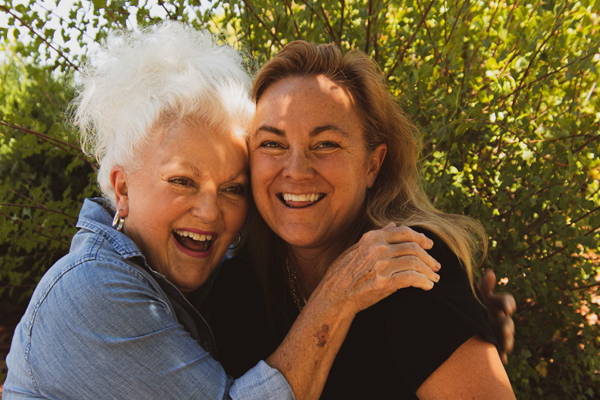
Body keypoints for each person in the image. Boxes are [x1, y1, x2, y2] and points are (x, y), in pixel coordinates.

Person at [3, 24, 443, 400]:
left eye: (233, 188)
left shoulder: (209, 279)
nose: (210, 212)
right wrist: (337, 295)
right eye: (182, 181)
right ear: (122, 188)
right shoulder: (92, 289)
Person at [205, 41, 517, 399]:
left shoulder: (407, 266)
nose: (296, 171)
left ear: (372, 164)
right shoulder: (233, 286)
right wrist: (336, 296)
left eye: (326, 144)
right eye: (272, 144)